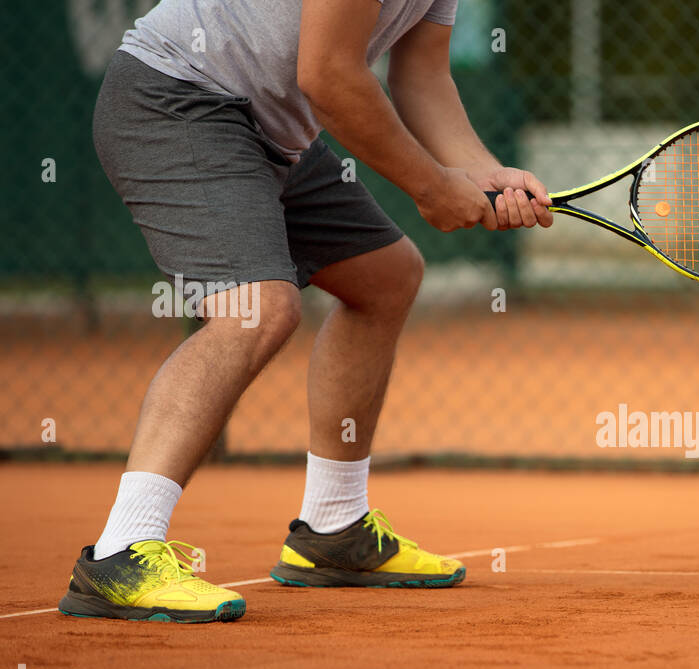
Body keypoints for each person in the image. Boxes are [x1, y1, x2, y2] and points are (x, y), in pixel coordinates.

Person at [58, 0, 552, 622]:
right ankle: (121, 550)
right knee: (256, 312)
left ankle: (334, 529)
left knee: (386, 278)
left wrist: (487, 175)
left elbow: (422, 76)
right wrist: (430, 186)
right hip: (178, 99)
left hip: (278, 131)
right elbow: (328, 76)